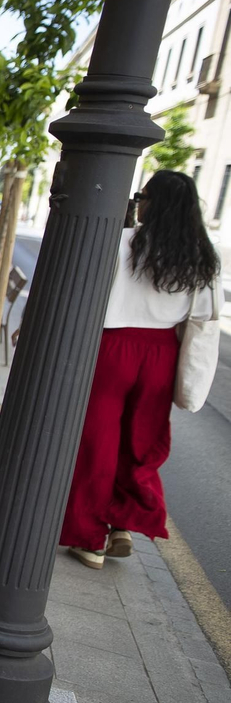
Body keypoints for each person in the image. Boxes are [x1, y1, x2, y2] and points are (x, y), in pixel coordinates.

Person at [61, 171, 220, 568]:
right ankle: (122, 524)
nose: (138, 202)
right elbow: (202, 321)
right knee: (141, 442)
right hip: (162, 352)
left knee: (98, 442)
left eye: (141, 195)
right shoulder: (202, 256)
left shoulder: (120, 242)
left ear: (152, 202)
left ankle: (89, 538)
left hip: (113, 347)